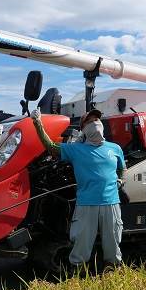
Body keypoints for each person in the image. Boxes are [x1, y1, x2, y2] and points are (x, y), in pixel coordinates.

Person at [30, 108, 126, 269]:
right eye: (89, 122)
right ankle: (77, 272)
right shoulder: (75, 149)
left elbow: (122, 167)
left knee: (113, 239)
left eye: (97, 120)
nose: (95, 124)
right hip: (87, 204)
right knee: (82, 240)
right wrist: (37, 123)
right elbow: (51, 146)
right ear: (83, 129)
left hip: (112, 203)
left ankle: (112, 270)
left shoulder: (115, 148)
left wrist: (121, 180)